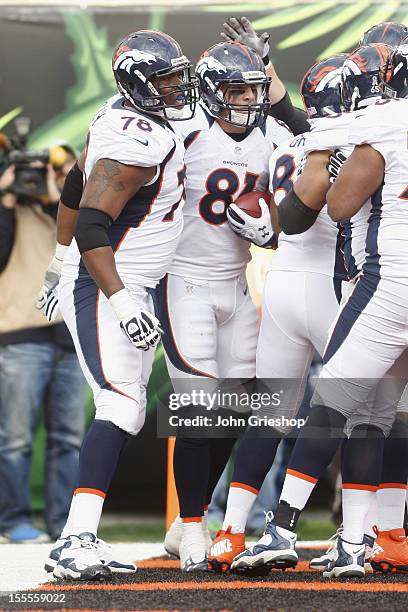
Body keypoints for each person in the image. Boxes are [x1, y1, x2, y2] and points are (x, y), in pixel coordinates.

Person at [233, 42, 408, 579]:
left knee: (333, 402)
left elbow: (335, 205)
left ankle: (280, 529)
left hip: (390, 280)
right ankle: (358, 542)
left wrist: (332, 155)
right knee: (377, 416)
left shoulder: (377, 123)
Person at [44, 29, 199, 581]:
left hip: (122, 278)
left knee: (126, 407)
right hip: (110, 280)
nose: (176, 86)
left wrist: (57, 261)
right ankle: (73, 540)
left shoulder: (124, 117)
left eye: (178, 75)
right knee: (119, 404)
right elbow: (90, 219)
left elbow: (72, 184)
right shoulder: (136, 138)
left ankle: (79, 535)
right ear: (137, 81)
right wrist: (116, 295)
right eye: (165, 78)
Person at [207, 53, 348, 573]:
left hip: (284, 280)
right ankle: (330, 529)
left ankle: (230, 532)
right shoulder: (357, 141)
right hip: (337, 284)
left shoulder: (286, 139)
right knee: (356, 414)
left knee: (269, 414)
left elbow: (273, 213)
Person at [157, 39, 293, 573]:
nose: (247, 100)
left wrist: (271, 228)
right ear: (212, 92)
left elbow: (298, 188)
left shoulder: (271, 137)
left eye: (254, 90)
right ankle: (195, 528)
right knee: (196, 408)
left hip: (235, 284)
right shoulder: (181, 131)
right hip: (183, 281)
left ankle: (181, 524)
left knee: (234, 410)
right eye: (237, 89)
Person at [0, 146, 86, 543]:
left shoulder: (69, 213)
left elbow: (82, 242)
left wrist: (58, 198)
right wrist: (5, 199)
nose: (37, 180)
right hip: (20, 336)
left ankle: (63, 523)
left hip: (70, 337)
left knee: (68, 438)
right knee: (14, 438)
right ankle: (14, 520)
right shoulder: (8, 210)